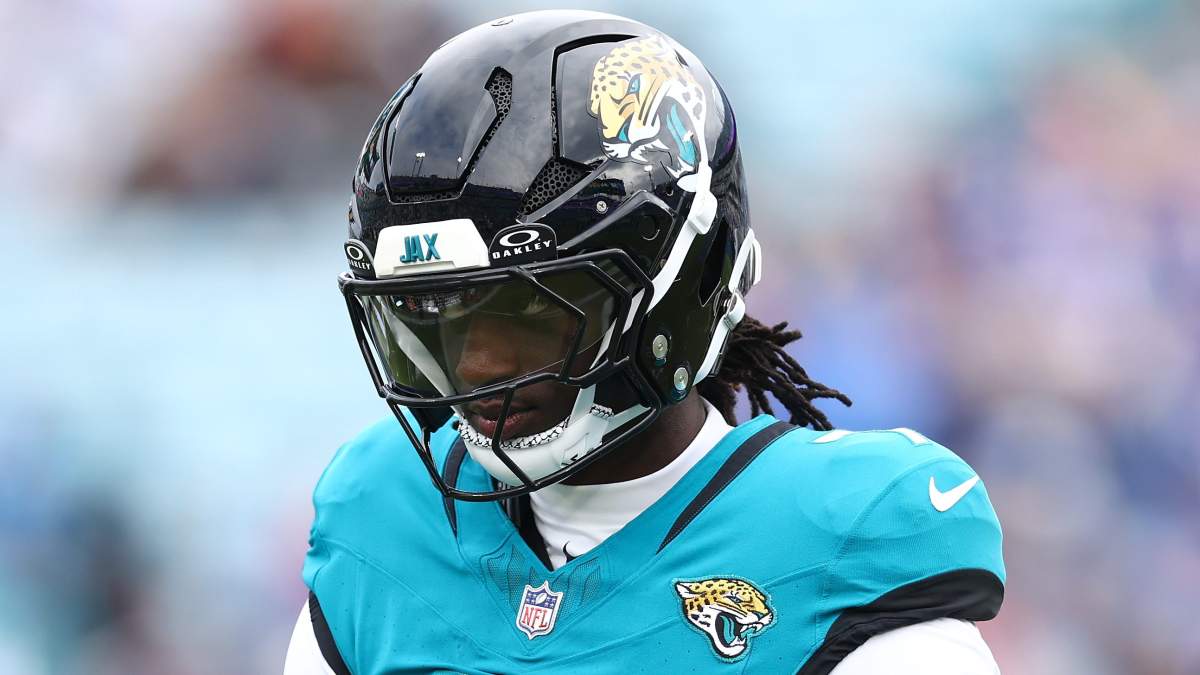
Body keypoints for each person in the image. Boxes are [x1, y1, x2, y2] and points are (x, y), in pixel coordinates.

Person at [285, 10, 1004, 674]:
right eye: (435, 312)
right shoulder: (381, 516)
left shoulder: (836, 539)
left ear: (687, 279)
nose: (478, 365)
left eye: (528, 310)